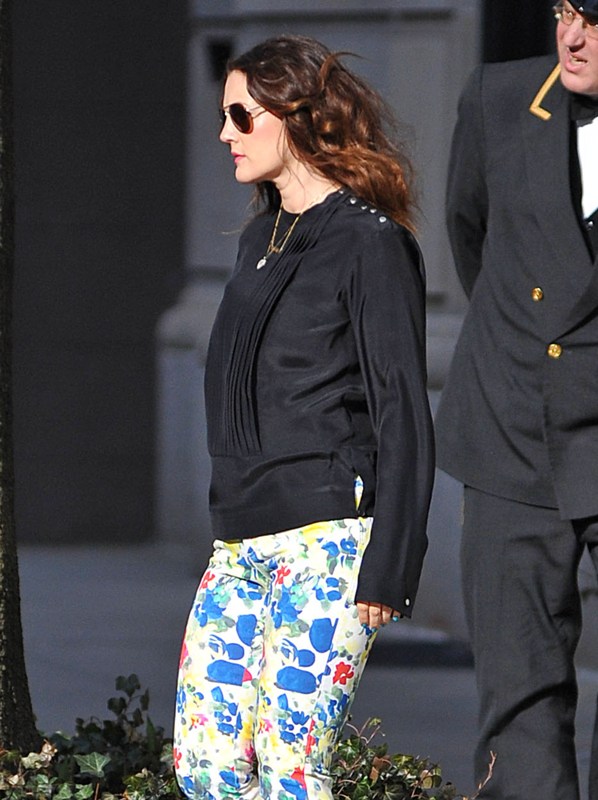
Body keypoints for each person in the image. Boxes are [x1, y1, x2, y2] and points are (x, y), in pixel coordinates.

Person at [173, 34, 434, 800]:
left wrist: (391, 565)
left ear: (296, 115)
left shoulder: (370, 242)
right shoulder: (262, 236)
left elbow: (402, 409)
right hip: (238, 542)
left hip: (328, 545)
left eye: (240, 115)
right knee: (206, 767)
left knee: (291, 769)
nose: (225, 132)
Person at [435, 1, 598, 798]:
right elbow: (468, 233)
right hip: (512, 423)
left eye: (595, 19)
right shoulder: (498, 99)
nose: (571, 36)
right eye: (564, 10)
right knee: (519, 694)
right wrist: (527, 354)